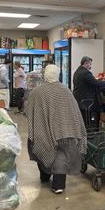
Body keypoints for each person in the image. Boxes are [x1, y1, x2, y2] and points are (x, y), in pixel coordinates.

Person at [25, 64, 87, 194]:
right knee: (61, 155)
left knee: (41, 147)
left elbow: (29, 111)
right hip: (63, 130)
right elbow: (74, 112)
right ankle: (59, 184)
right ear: (58, 75)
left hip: (42, 129)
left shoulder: (36, 92)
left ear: (45, 75)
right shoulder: (66, 90)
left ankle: (45, 176)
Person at [73, 56, 105, 127]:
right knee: (87, 120)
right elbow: (96, 83)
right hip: (85, 101)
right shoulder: (85, 73)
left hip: (78, 100)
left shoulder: (77, 71)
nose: (90, 66)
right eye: (90, 64)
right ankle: (89, 133)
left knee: (82, 119)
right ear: (86, 63)